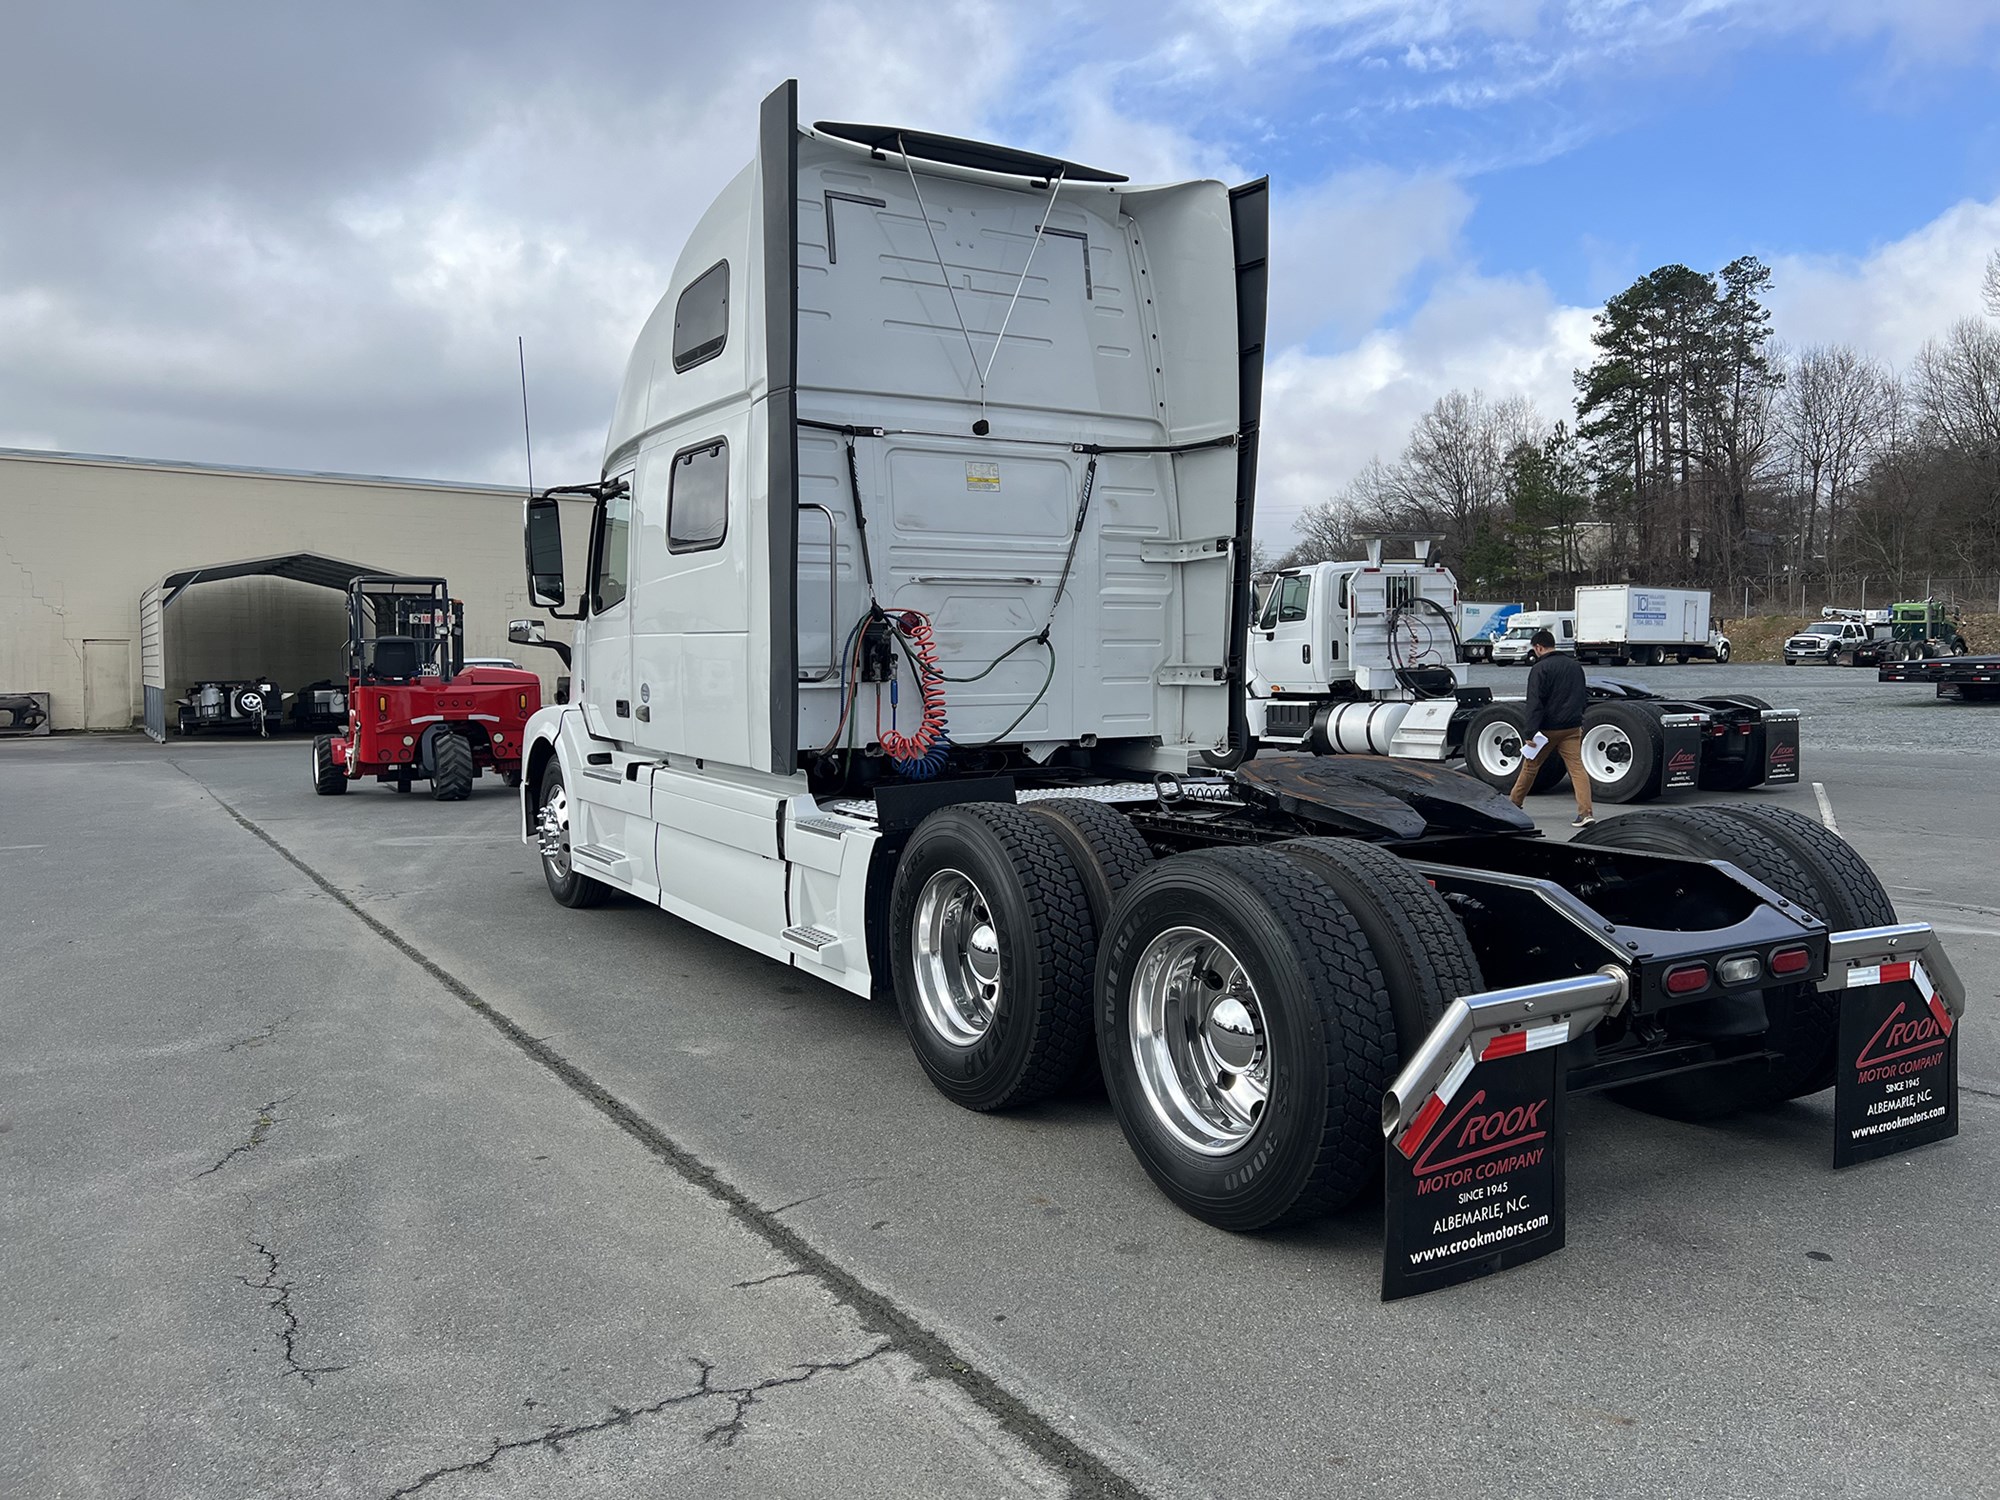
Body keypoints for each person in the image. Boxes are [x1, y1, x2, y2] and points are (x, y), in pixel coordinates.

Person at [1511, 629, 1594, 827]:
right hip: (1572, 727)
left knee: (1530, 766)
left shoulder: (1540, 669)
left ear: (1539, 647)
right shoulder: (1574, 666)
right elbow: (1583, 695)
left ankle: (1513, 806)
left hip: (1546, 730)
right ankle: (1586, 813)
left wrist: (1530, 732)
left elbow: (1535, 703)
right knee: (1577, 769)